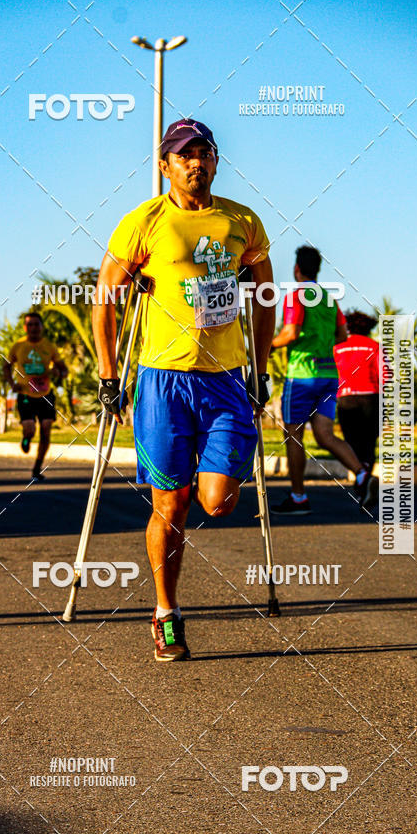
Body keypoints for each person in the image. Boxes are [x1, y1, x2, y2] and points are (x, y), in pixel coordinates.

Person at [92, 118, 275, 661]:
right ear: (165, 164)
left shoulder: (242, 221)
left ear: (216, 161)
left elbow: (265, 298)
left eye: (206, 152)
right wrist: (108, 375)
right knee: (170, 504)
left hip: (225, 380)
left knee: (215, 501)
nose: (197, 162)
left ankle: (209, 471)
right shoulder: (144, 222)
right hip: (162, 380)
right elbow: (106, 294)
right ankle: (166, 612)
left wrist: (260, 369)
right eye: (185, 154)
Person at [270, 246, 378, 515]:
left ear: (297, 269)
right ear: (316, 269)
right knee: (325, 435)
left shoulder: (296, 296)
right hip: (329, 376)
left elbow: (291, 332)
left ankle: (298, 498)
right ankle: (362, 475)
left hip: (303, 375)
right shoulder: (330, 299)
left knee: (293, 436)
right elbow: (342, 336)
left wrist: (269, 345)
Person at [4, 312, 68, 482]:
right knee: (30, 428)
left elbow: (64, 369)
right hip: (25, 394)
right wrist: (12, 384)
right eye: (29, 325)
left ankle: (37, 468)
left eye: (36, 324)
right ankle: (26, 437)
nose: (33, 328)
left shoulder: (49, 346)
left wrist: (59, 372)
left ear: (41, 327)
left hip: (46, 394)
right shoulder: (18, 346)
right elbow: (6, 367)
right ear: (25, 328)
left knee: (46, 431)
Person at [334, 311, 380, 473]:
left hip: (345, 398)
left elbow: (332, 372)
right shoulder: (374, 346)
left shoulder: (337, 347)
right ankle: (367, 469)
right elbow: (386, 375)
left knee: (351, 440)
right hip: (371, 398)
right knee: (369, 441)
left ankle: (361, 476)